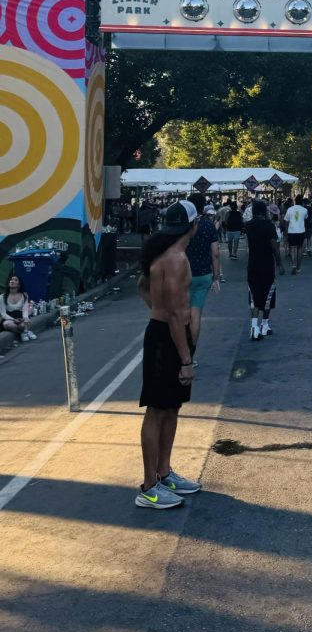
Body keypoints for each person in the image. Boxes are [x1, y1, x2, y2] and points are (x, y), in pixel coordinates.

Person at [135, 200, 201, 509]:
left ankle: (164, 472)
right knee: (157, 409)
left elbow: (141, 287)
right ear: (194, 226)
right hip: (167, 337)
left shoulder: (164, 255)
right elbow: (175, 313)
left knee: (171, 407)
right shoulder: (176, 259)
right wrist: (186, 360)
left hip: (165, 333)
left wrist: (156, 311)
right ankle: (149, 486)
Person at [185, 194, 221, 355]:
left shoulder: (183, 225)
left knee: (181, 314)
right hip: (203, 274)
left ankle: (181, 353)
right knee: (196, 315)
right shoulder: (208, 225)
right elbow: (215, 253)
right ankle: (191, 354)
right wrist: (216, 277)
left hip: (181, 274)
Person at [245, 198, 280, 339]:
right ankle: (265, 325)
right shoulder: (269, 226)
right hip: (267, 264)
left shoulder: (248, 226)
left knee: (254, 295)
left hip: (253, 263)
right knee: (268, 295)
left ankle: (254, 327)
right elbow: (274, 246)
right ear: (264, 211)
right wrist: (280, 263)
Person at [1, 275, 36, 341]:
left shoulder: (24, 295)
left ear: (19, 285)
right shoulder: (2, 297)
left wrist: (25, 318)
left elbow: (25, 310)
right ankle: (25, 332)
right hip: (9, 318)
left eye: (15, 280)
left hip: (20, 317)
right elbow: (3, 314)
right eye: (11, 279)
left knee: (22, 325)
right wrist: (14, 320)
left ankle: (24, 331)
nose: (12, 281)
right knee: (6, 324)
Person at [283, 195, 308, 273]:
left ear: (295, 201)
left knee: (293, 248)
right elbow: (306, 218)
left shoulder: (289, 209)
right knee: (300, 249)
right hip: (301, 231)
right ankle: (298, 266)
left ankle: (294, 265)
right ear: (302, 202)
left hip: (291, 231)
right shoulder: (304, 210)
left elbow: (286, 221)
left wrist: (286, 233)